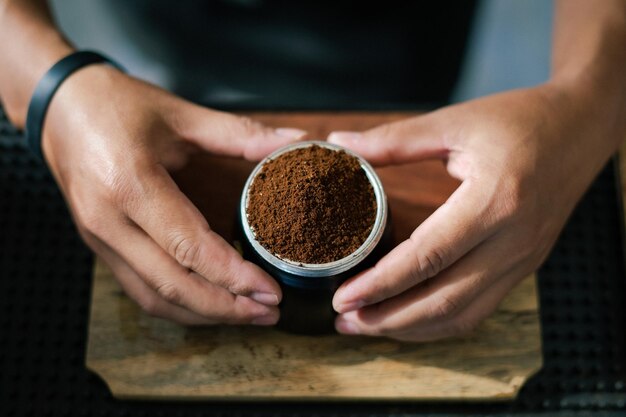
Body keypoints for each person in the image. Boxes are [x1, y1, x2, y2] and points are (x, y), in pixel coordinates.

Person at [0, 0, 624, 341]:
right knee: (178, 66)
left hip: (398, 30)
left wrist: (593, 93)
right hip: (182, 17)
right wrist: (50, 86)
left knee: (413, 80)